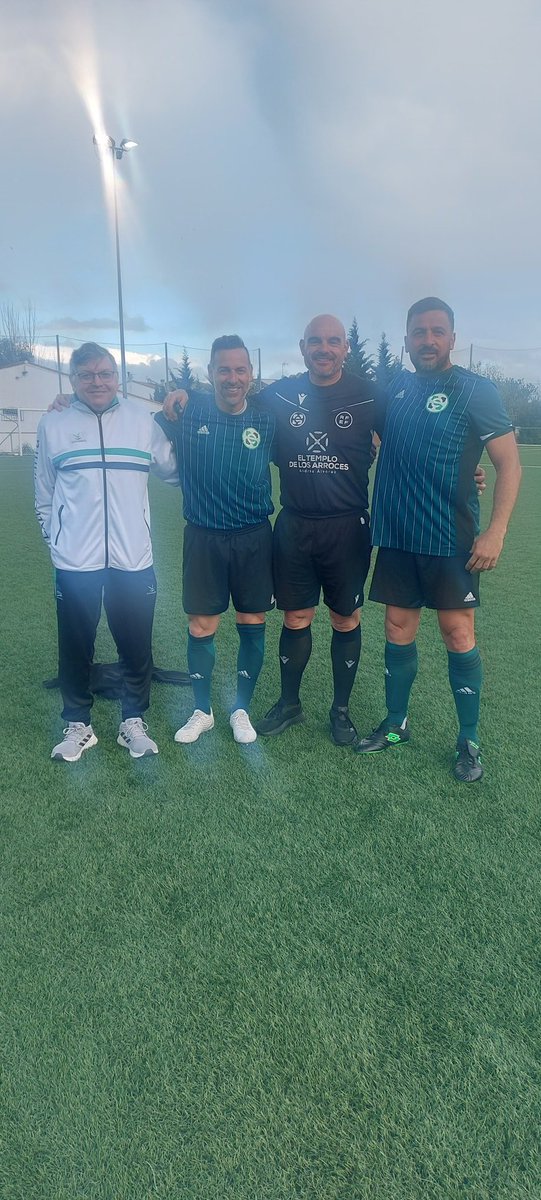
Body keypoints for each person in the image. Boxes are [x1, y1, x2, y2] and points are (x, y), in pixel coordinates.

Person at [354, 297, 522, 781]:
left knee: (458, 634)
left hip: (452, 539)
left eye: (437, 331)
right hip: (399, 537)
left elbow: (508, 464)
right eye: (418, 332)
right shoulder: (394, 390)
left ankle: (468, 739)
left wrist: (496, 531)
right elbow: (383, 437)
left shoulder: (475, 389)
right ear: (406, 339)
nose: (427, 340)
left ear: (452, 337)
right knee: (396, 630)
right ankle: (395, 723)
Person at [35, 342, 178, 761]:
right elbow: (44, 494)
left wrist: (188, 425)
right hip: (75, 561)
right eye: (86, 375)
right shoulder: (53, 424)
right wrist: (57, 544)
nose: (97, 382)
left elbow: (175, 472)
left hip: (133, 558)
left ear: (118, 376)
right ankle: (78, 724)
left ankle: (132, 721)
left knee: (135, 643)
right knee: (75, 644)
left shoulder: (142, 421)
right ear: (72, 379)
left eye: (105, 373)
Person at [155, 335, 276, 745]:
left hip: (254, 537)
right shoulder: (186, 412)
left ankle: (240, 708)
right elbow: (130, 423)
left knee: (252, 621)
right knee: (202, 624)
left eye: (240, 369)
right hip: (204, 536)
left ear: (251, 375)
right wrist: (64, 405)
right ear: (210, 373)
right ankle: (202, 710)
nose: (232, 377)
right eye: (223, 369)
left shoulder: (266, 419)